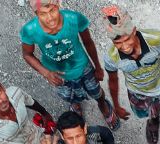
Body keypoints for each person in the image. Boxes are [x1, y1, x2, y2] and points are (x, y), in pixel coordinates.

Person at [100, 7, 160, 144]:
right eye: (118, 43)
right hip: (138, 92)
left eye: (127, 40)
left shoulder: (154, 39)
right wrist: (117, 105)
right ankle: (154, 120)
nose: (124, 47)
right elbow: (113, 80)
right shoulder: (111, 57)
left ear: (134, 31)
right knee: (151, 112)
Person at [20, 0, 118, 129]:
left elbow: (88, 42)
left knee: (96, 91)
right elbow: (27, 54)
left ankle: (103, 105)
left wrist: (98, 67)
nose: (49, 18)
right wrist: (46, 73)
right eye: (43, 14)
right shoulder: (30, 30)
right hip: (58, 74)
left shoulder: (74, 18)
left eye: (52, 10)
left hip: (82, 66)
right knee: (68, 96)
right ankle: (75, 105)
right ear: (35, 13)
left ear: (58, 5)